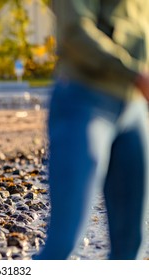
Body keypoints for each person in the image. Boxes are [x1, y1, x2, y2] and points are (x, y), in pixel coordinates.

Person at [34, 0, 149, 260]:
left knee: (131, 244)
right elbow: (75, 33)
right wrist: (135, 74)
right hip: (84, 101)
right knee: (64, 241)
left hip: (135, 109)